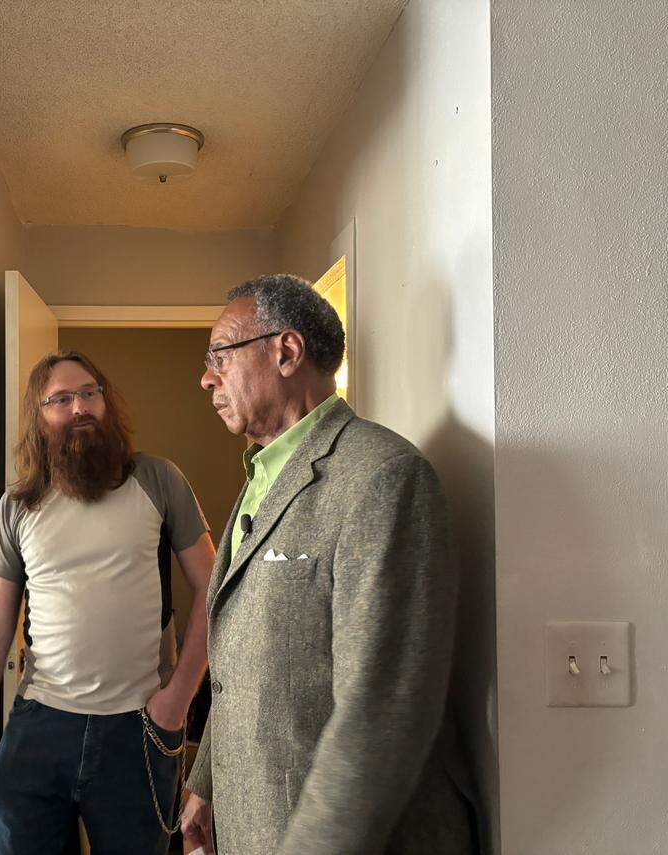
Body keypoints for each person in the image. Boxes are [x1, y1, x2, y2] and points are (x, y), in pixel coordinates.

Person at [180, 274, 477, 854]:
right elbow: (242, 666)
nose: (206, 377)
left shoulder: (383, 478)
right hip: (254, 822)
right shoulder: (258, 479)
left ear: (285, 351)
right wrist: (207, 782)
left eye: (220, 354)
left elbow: (382, 708)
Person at [0, 350, 216, 855]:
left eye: (90, 393)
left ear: (106, 402)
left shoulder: (158, 480)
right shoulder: (18, 505)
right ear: (40, 417)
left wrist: (179, 696)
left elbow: (214, 586)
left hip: (139, 727)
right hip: (40, 723)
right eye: (62, 399)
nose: (80, 408)